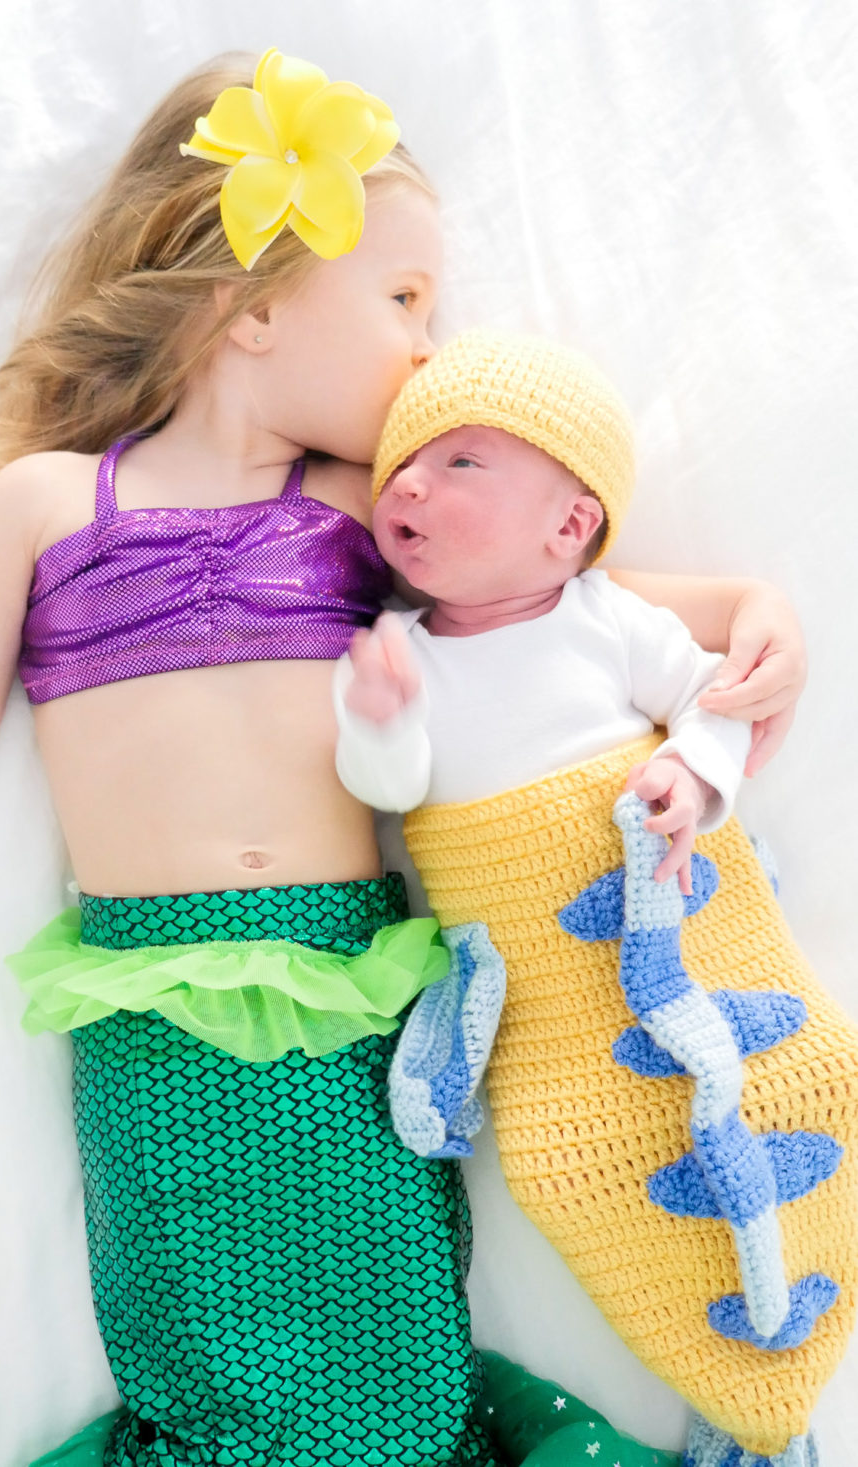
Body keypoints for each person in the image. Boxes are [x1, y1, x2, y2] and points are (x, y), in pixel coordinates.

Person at [0, 52, 808, 1467]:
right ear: (250, 307)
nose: (432, 350)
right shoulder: (49, 503)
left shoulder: (366, 510)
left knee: (390, 1339)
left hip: (348, 975)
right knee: (200, 1316)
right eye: (402, 301)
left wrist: (756, 615)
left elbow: (571, 595)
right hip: (148, 986)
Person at [334, 329, 858, 1466]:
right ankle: (721, 1383)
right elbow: (391, 788)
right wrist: (374, 719)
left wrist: (695, 771)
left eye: (460, 464)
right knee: (563, 1165)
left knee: (811, 1072)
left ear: (566, 528)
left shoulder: (605, 616)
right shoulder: (395, 652)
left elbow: (714, 702)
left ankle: (783, 1364)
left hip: (695, 929)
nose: (409, 486)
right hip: (551, 1004)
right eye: (399, 472)